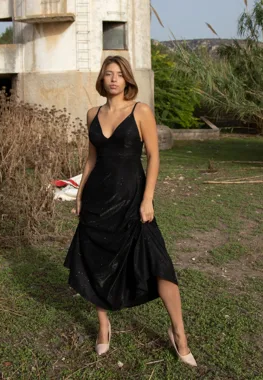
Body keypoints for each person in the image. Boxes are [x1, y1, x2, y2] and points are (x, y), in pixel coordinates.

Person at [64, 56, 196, 367]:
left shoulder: (141, 111)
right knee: (96, 261)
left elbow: (153, 156)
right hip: (97, 200)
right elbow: (91, 159)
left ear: (127, 80)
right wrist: (80, 194)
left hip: (132, 198)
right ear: (102, 78)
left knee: (159, 262)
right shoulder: (92, 114)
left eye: (119, 74)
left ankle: (179, 332)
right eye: (108, 74)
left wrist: (147, 198)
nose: (113, 79)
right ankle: (103, 326)